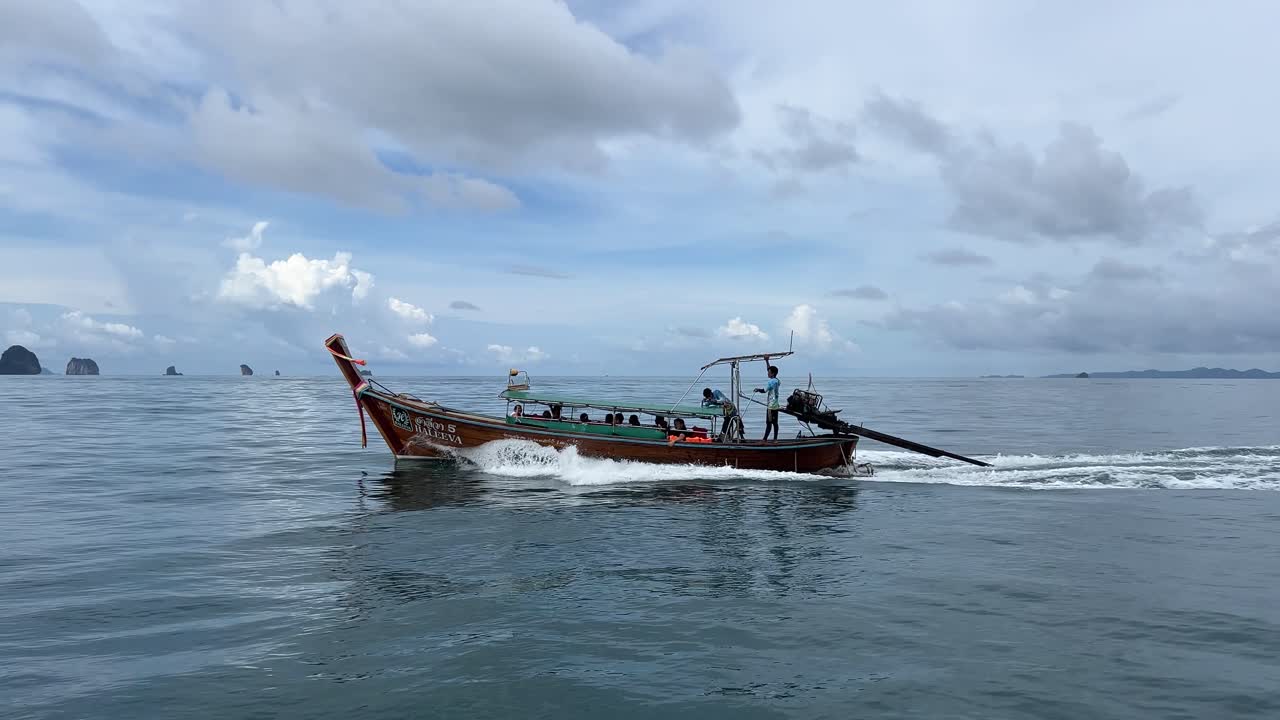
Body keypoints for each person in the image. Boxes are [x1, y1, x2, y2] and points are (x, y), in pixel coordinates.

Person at [754, 360, 781, 441]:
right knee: (775, 423)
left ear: (772, 373)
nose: (767, 373)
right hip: (776, 405)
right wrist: (767, 361)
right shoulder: (777, 380)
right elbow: (769, 369)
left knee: (768, 423)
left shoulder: (771, 382)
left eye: (769, 372)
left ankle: (764, 439)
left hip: (771, 406)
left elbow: (764, 390)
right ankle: (775, 439)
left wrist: (757, 389)